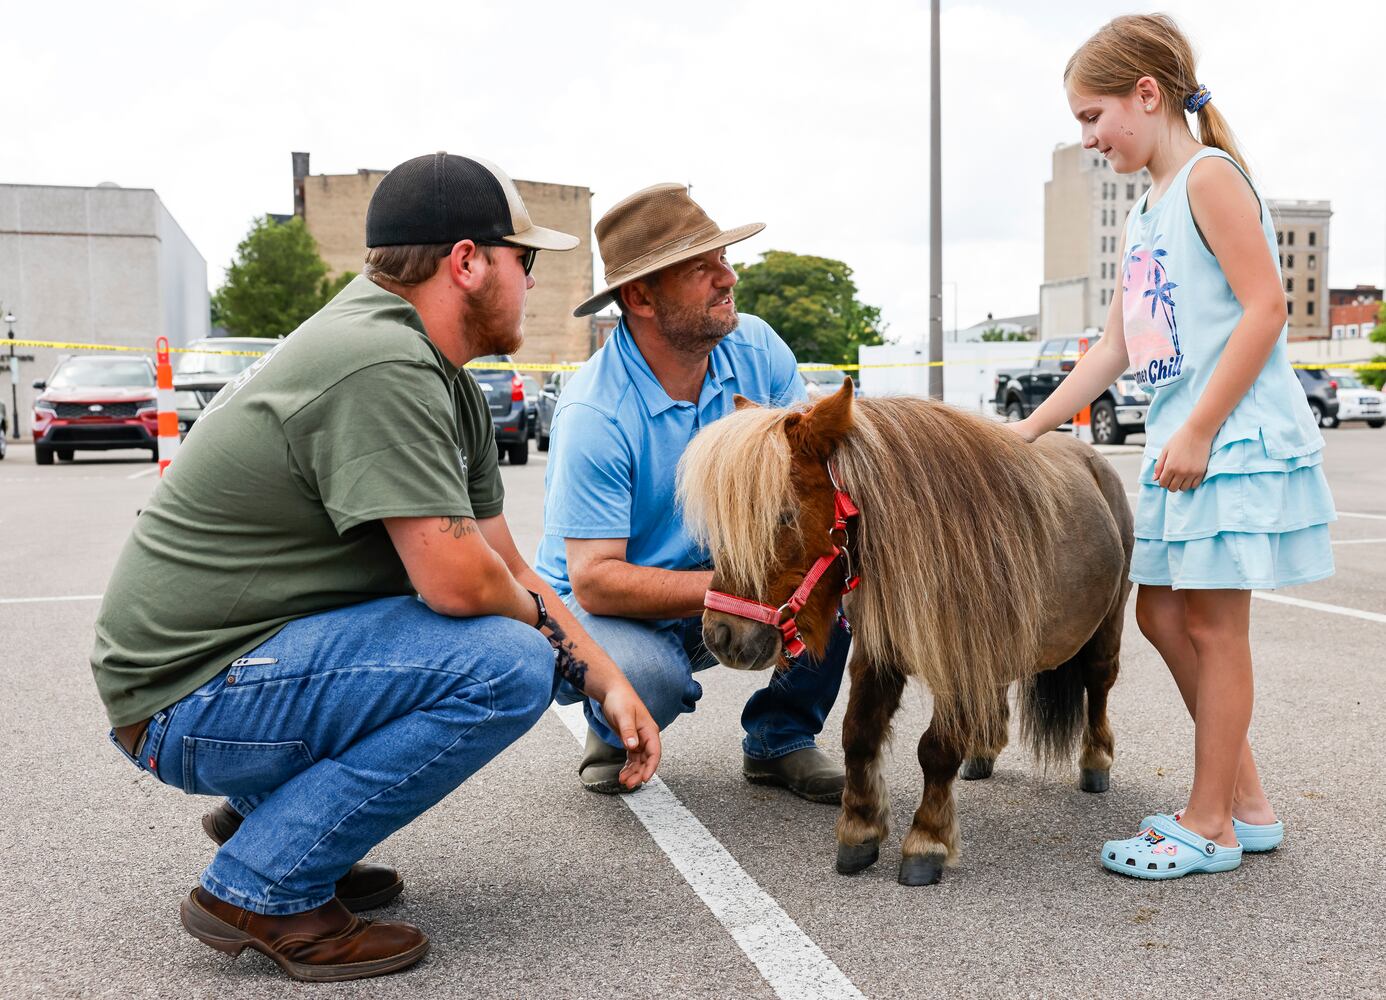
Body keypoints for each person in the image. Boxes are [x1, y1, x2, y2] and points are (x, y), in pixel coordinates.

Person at [91, 152, 661, 981]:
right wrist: (556, 646)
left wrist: (606, 677)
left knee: (512, 643)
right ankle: (263, 883)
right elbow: (460, 583)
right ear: (466, 262)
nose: (533, 283)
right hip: (183, 697)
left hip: (230, 668)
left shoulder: (438, 376)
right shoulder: (380, 363)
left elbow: (502, 562)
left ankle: (279, 821)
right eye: (523, 259)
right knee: (505, 666)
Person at [1010, 15, 1335, 879]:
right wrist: (1025, 432)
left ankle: (1212, 824)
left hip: (1227, 439)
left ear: (1146, 96)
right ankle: (1247, 805)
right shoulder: (1148, 204)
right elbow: (1116, 349)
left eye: (1092, 116)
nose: (1086, 139)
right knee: (1158, 613)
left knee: (1216, 628)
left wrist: (1196, 427)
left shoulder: (1209, 177)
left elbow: (1269, 310)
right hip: (1180, 443)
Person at [535, 183, 850, 801]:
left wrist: (781, 576)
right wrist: (745, 588)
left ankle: (780, 738)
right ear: (640, 297)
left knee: (832, 568)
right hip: (609, 608)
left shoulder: (756, 347)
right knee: (648, 676)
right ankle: (614, 714)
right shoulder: (594, 413)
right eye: (701, 269)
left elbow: (816, 475)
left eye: (724, 260)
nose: (727, 277)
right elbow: (595, 579)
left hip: (721, 580)